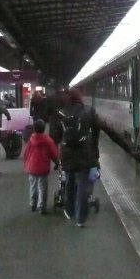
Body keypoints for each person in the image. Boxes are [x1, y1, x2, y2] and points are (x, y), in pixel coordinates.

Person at [52, 87, 100, 228]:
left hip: (67, 154)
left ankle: (69, 210)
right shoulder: (88, 111)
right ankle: (81, 218)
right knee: (83, 186)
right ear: (80, 97)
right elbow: (97, 130)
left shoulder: (60, 113)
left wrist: (60, 148)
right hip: (85, 153)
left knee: (69, 182)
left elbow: (54, 136)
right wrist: (94, 147)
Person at [23, 119, 58, 214]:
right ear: (44, 129)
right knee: (42, 187)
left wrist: (26, 164)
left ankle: (32, 204)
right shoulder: (48, 140)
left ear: (34, 129)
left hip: (31, 167)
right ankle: (41, 206)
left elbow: (26, 153)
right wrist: (57, 163)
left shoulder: (30, 140)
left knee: (33, 186)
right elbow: (54, 153)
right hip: (43, 167)